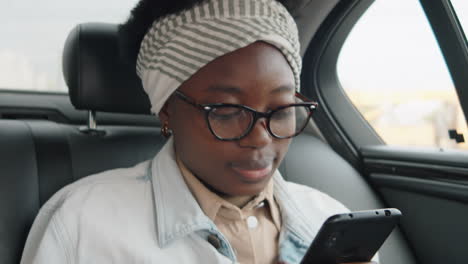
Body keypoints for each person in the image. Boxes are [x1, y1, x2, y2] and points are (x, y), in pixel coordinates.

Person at [21, 0, 377, 263]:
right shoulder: (82, 223)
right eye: (226, 111)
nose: (261, 138)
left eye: (280, 109)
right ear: (167, 111)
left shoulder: (327, 217)